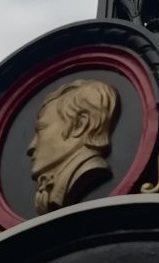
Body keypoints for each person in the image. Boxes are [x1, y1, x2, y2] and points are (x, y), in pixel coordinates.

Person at [27, 78, 119, 213]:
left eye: (41, 129)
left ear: (80, 125)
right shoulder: (49, 184)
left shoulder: (88, 173)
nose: (31, 147)